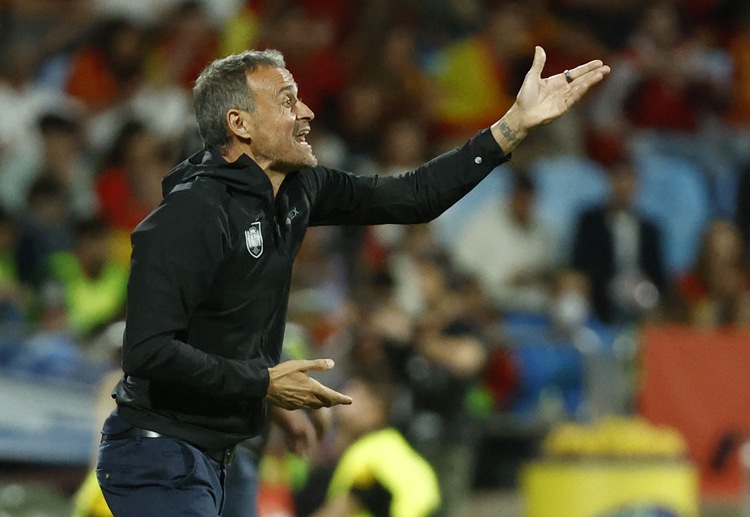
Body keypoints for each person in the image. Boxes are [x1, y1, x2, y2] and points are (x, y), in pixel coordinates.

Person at [96, 47, 609, 516]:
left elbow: (412, 198)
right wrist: (264, 384)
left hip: (221, 454)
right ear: (240, 123)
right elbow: (147, 351)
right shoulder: (190, 214)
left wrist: (512, 126)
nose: (307, 113)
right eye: (287, 100)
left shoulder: (298, 190)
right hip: (158, 453)